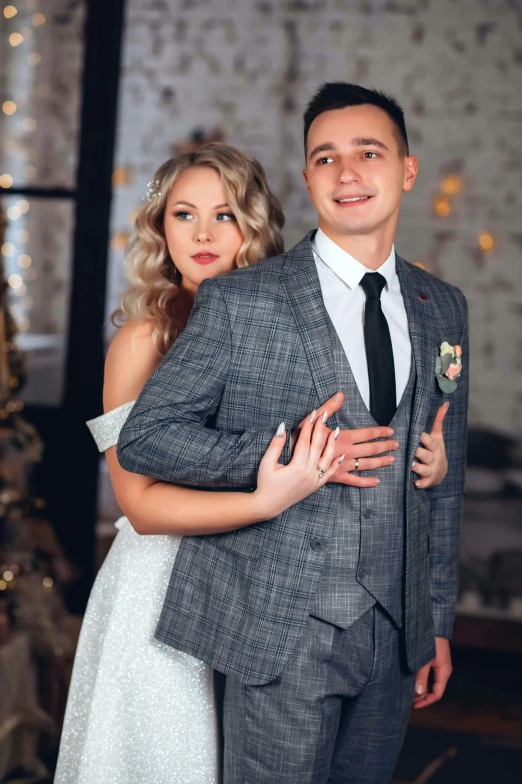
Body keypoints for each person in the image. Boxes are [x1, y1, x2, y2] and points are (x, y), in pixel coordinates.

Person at [118, 84, 467, 783]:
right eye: (325, 158)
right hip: (282, 625)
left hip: (398, 636)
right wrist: (283, 457)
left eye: (368, 152)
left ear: (406, 170)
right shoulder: (242, 300)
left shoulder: (443, 308)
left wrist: (436, 618)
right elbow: (146, 437)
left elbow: (445, 481)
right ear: (307, 179)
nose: (346, 172)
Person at [55, 142, 416, 784]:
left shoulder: (289, 318)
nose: (200, 233)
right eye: (182, 214)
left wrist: (426, 461)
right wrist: (263, 500)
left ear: (254, 224)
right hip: (158, 587)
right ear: (159, 228)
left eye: (223, 215)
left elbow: (344, 444)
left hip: (265, 588)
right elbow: (137, 504)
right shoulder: (144, 338)